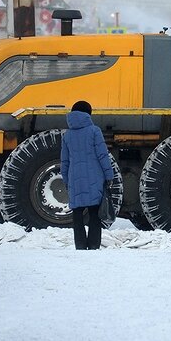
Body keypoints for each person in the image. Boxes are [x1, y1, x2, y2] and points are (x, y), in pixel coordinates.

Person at [60, 100, 114, 250]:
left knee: (77, 213)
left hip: (74, 178)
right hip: (94, 177)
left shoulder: (67, 135)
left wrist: (65, 179)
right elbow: (102, 155)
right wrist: (109, 175)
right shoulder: (94, 131)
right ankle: (94, 245)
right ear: (88, 114)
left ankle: (80, 245)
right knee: (94, 212)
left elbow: (64, 160)